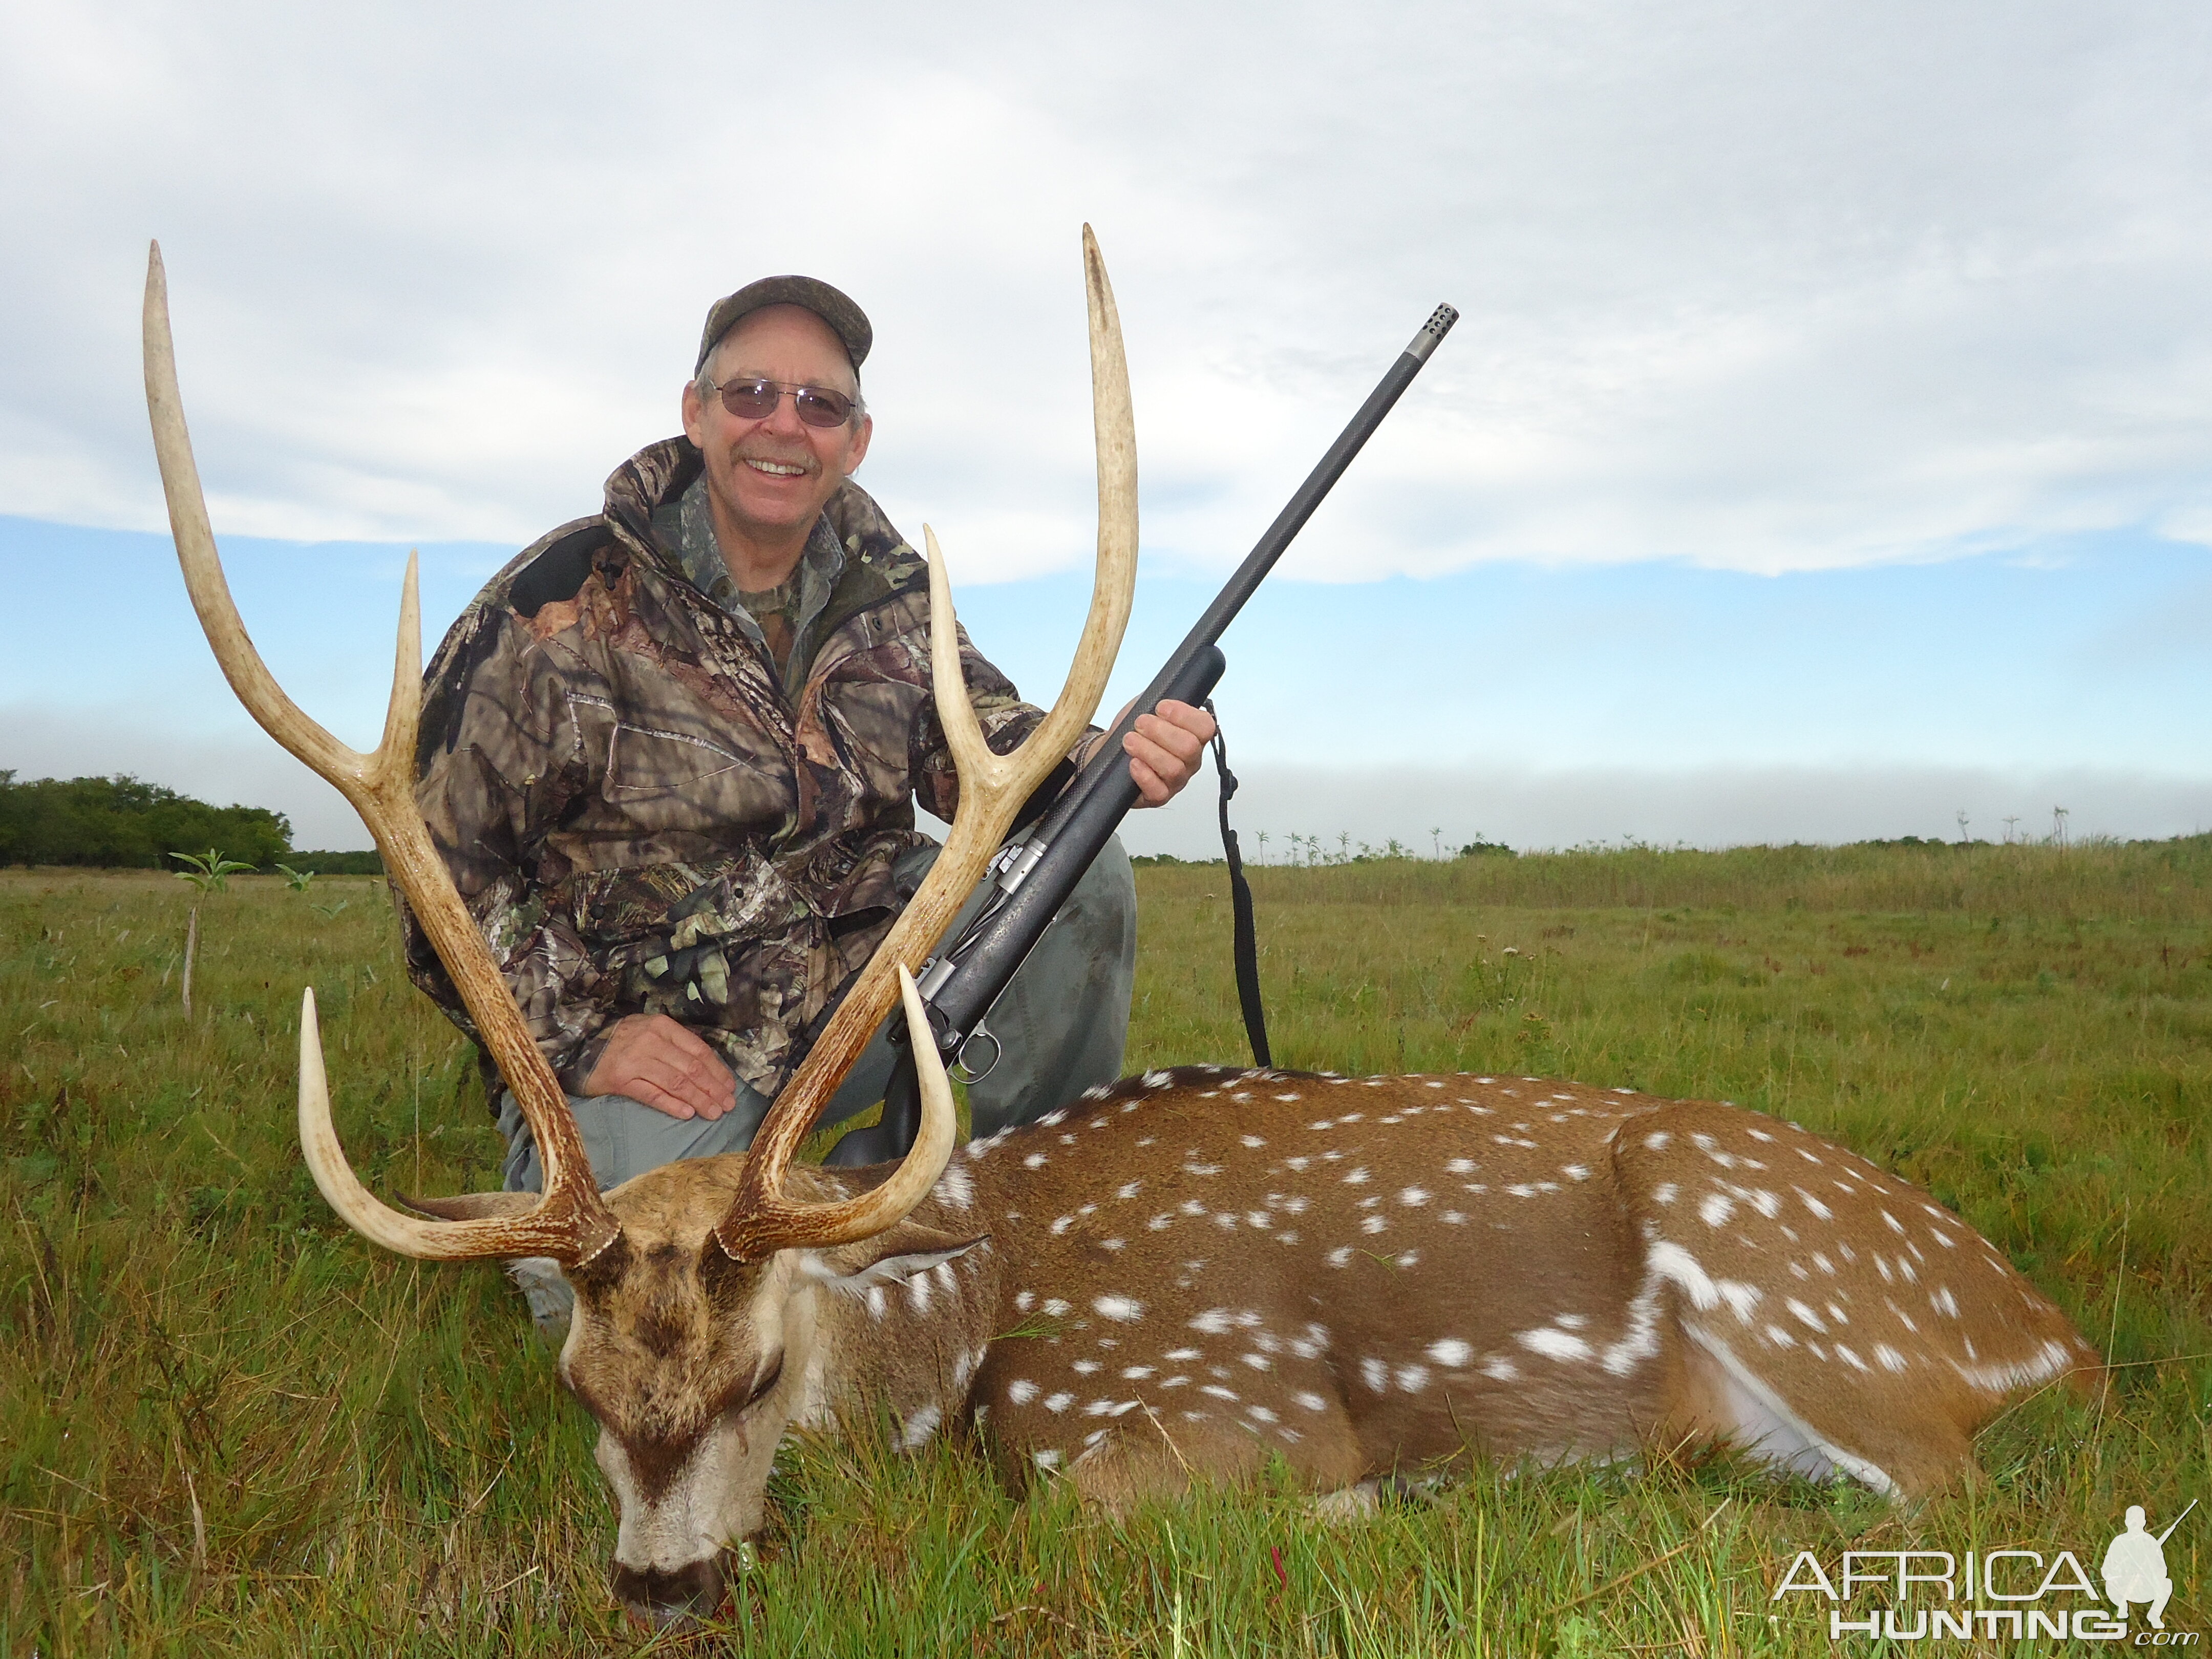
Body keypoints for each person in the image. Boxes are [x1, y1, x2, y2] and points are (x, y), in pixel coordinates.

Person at [400, 273, 1215, 1222]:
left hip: (857, 975)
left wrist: (1101, 757)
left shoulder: (892, 593)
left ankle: (969, 1208)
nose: (784, 426)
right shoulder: (558, 603)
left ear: (855, 440)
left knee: (1078, 864)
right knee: (632, 1295)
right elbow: (439, 866)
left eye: (820, 405)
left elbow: (982, 738)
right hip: (665, 1028)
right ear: (696, 413)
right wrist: (582, 1035)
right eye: (751, 394)